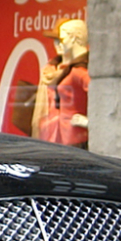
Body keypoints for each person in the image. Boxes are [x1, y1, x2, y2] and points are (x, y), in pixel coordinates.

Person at [33, 18, 90, 147]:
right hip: (55, 133)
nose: (59, 44)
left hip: (75, 136)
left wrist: (88, 122)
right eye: (56, 40)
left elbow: (102, 97)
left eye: (62, 40)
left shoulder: (78, 71)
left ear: (74, 39)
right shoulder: (51, 70)